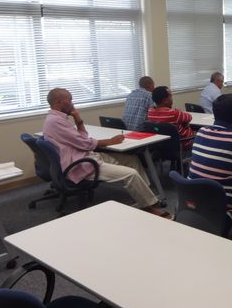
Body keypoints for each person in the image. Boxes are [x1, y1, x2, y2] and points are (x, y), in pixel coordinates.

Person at [42, 88, 169, 217]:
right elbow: (86, 143)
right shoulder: (56, 121)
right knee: (131, 174)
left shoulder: (57, 118)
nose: (72, 103)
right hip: (82, 164)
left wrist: (77, 118)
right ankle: (149, 207)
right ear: (58, 102)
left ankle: (146, 197)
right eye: (69, 100)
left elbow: (83, 138)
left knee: (133, 160)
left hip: (85, 156)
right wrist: (110, 141)